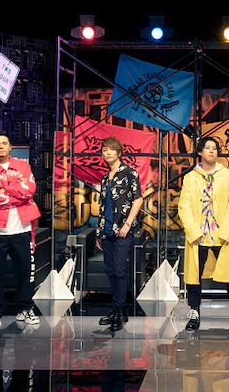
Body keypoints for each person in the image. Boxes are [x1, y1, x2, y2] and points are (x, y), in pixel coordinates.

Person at [0, 131, 42, 334]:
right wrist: (17, 190)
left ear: (10, 147)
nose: (1, 146)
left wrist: (5, 188)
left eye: (4, 143)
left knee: (25, 271)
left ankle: (24, 308)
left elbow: (30, 190)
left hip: (21, 228)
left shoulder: (23, 166)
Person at [178, 136, 229, 331]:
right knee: (194, 276)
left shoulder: (227, 175)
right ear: (200, 151)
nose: (211, 151)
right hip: (199, 235)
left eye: (214, 148)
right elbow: (184, 206)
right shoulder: (190, 177)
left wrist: (227, 231)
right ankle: (194, 311)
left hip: (221, 234)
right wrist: (193, 230)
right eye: (207, 148)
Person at [95, 137, 144, 331]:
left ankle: (118, 310)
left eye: (111, 149)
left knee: (119, 270)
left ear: (119, 152)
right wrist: (99, 232)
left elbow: (138, 199)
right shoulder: (105, 177)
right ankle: (117, 310)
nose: (107, 152)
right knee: (110, 270)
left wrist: (127, 224)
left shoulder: (129, 173)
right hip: (106, 229)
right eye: (104, 150)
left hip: (123, 230)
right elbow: (103, 205)